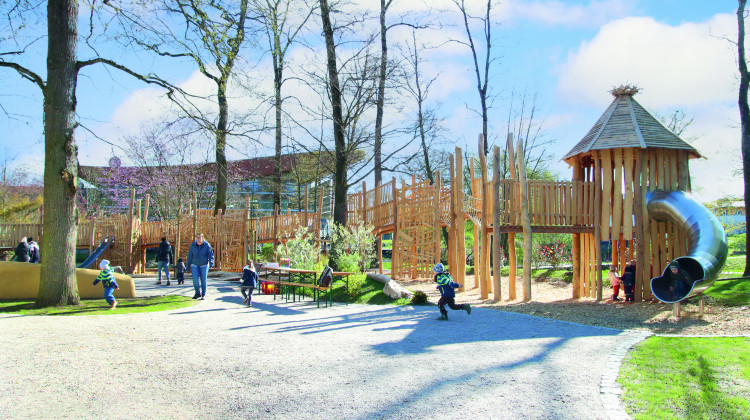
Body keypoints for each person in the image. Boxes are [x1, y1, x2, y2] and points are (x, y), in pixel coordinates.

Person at [187, 233, 214, 300]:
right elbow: (190, 256)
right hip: (194, 264)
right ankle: (197, 293)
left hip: (204, 265)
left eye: (200, 237)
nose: (198, 239)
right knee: (195, 280)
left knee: (203, 280)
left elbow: (211, 255)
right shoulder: (193, 245)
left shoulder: (207, 245)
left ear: (203, 238)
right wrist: (187, 266)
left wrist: (211, 263)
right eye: (197, 237)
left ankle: (203, 294)